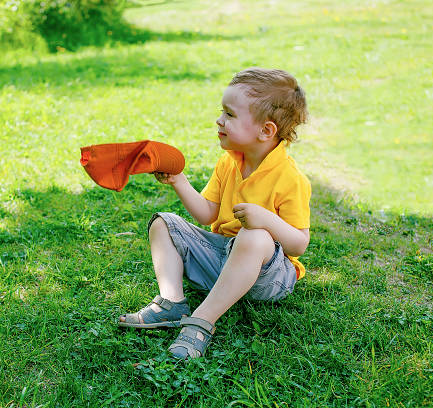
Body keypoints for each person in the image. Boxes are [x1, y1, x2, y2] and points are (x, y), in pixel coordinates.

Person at [118, 68, 311, 359]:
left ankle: (202, 320)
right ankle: (172, 302)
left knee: (255, 237)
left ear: (266, 130)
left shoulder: (290, 178)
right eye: (222, 112)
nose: (220, 120)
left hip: (268, 277)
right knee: (163, 223)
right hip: (222, 260)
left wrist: (265, 220)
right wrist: (179, 181)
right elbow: (207, 215)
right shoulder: (228, 162)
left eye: (230, 115)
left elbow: (299, 244)